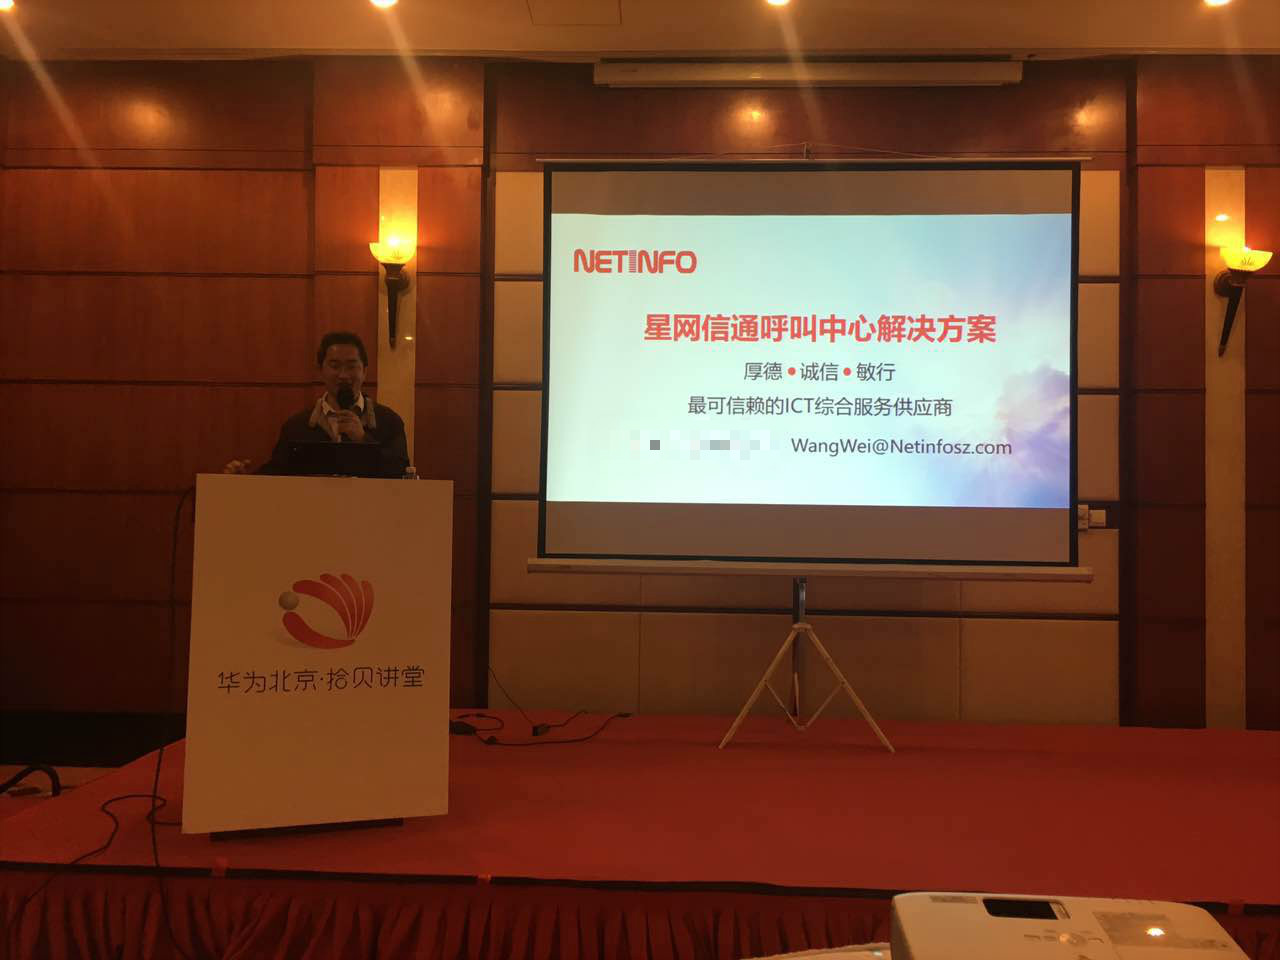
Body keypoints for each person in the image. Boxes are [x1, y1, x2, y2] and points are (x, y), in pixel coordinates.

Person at [224, 331, 409, 478]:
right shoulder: (298, 426)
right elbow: (279, 474)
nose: (343, 375)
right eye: (335, 366)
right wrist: (246, 479)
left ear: (365, 371)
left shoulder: (389, 421)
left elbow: (400, 472)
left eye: (351, 366)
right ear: (321, 370)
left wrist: (363, 439)